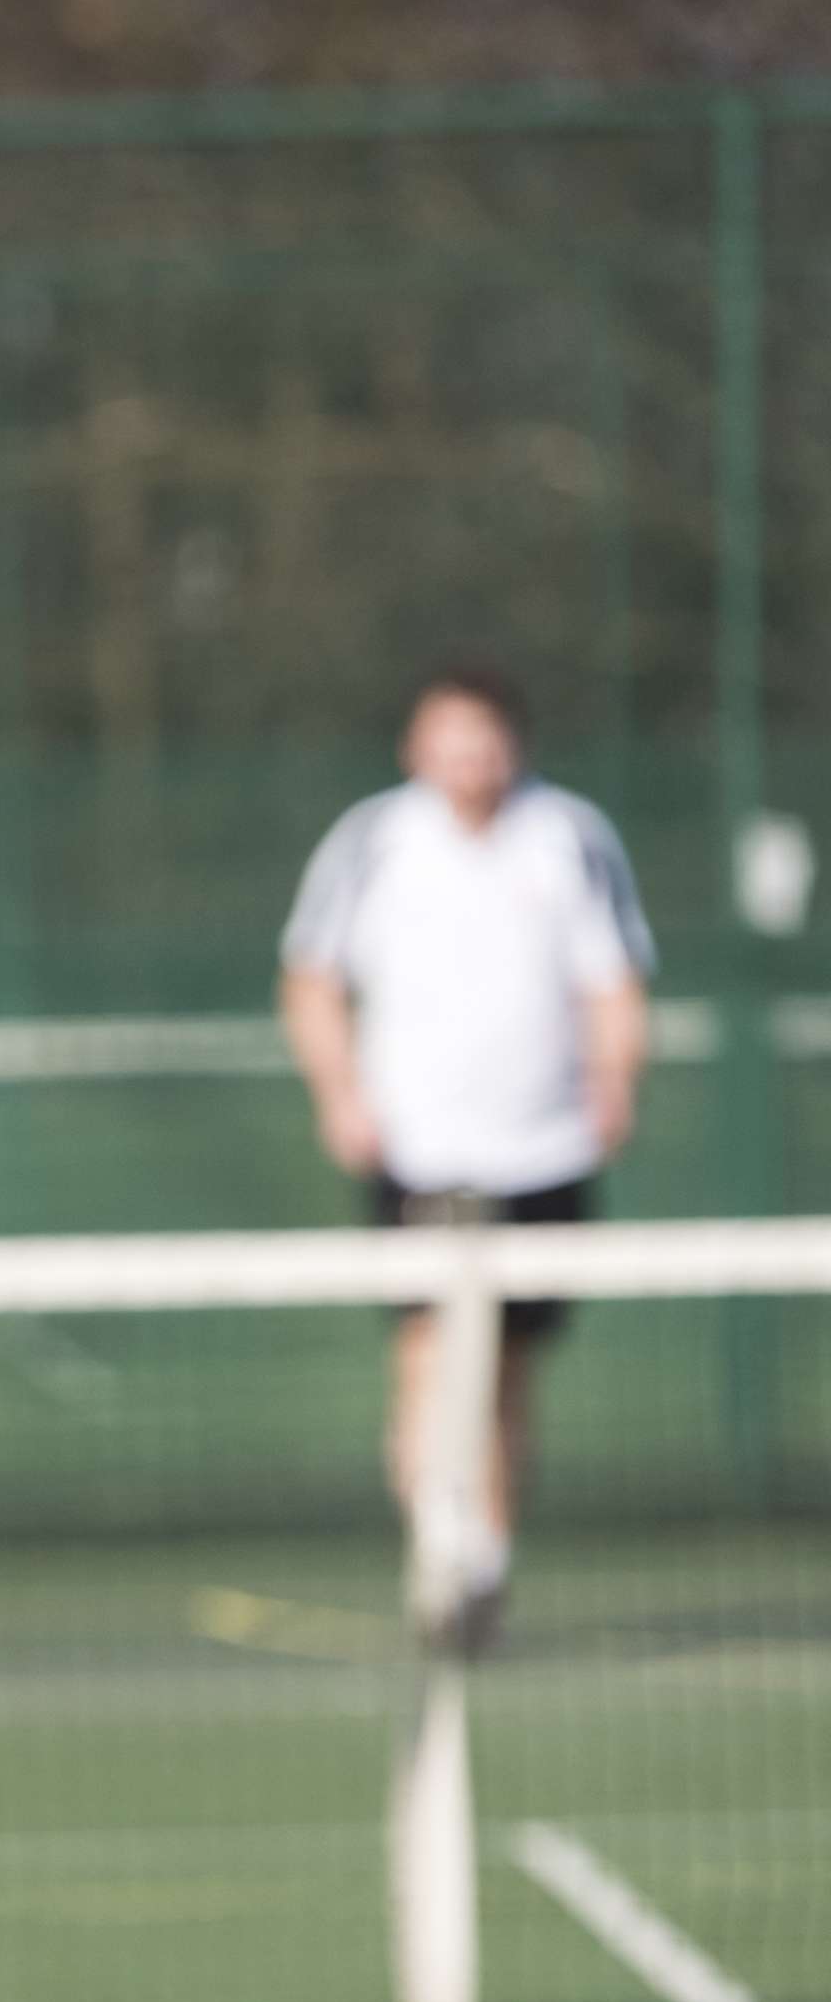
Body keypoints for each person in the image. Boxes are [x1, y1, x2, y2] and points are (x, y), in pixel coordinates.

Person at [278, 664, 655, 1649]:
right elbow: (312, 977)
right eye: (447, 737)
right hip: (420, 1148)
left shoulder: (570, 835)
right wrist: (341, 1095)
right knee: (429, 1350)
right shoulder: (374, 840)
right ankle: (438, 1543)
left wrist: (616, 1078)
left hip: (544, 1151)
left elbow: (614, 978)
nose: (467, 758)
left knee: (510, 1367)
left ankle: (485, 1559)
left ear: (513, 744)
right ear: (416, 747)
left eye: (483, 736)